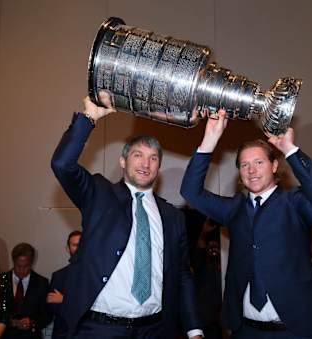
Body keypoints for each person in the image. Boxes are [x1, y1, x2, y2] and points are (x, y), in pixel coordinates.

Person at [50, 95, 202, 338]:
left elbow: (183, 276)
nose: (146, 163)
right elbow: (62, 164)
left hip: (154, 330)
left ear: (158, 167)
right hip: (99, 329)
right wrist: (89, 117)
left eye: (153, 158)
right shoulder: (99, 195)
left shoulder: (173, 217)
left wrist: (195, 329)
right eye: (138, 155)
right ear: (123, 161)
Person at [181, 110, 312, 338]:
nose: (251, 170)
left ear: (274, 166)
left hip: (295, 330)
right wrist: (210, 139)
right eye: (244, 165)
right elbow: (190, 191)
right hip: (245, 330)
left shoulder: (294, 202)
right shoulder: (234, 208)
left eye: (258, 162)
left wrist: (289, 150)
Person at [4, 242, 51, 339]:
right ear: (13, 262)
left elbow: (47, 315)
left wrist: (32, 322)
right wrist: (8, 322)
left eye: (25, 266)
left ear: (32, 263)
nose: (21, 270)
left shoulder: (42, 283)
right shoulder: (1, 280)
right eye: (18, 266)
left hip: (31, 336)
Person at [47, 230, 82, 339]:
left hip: (86, 333)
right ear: (68, 249)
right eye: (75, 245)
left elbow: (93, 307)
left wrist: (64, 300)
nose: (79, 248)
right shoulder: (58, 276)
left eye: (82, 244)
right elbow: (52, 305)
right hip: (62, 334)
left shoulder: (95, 275)